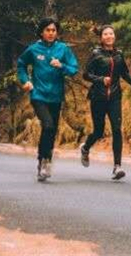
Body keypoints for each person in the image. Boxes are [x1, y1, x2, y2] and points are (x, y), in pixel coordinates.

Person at [16, 17, 79, 182]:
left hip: (56, 96)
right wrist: (26, 81)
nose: (51, 33)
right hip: (38, 95)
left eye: (54, 31)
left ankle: (45, 159)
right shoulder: (34, 49)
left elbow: (74, 69)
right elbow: (21, 64)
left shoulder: (63, 49)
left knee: (51, 130)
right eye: (48, 30)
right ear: (42, 32)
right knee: (48, 124)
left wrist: (62, 66)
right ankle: (44, 162)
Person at [80, 24, 131, 180]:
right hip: (98, 97)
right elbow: (86, 75)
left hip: (114, 97)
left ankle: (117, 167)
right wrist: (101, 79)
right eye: (105, 34)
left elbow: (125, 74)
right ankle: (86, 148)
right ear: (101, 38)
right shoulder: (95, 54)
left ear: (114, 36)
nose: (109, 36)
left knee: (116, 129)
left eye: (111, 34)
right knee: (98, 131)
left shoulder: (119, 55)